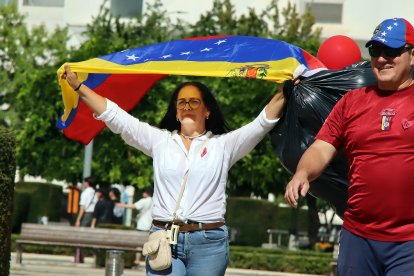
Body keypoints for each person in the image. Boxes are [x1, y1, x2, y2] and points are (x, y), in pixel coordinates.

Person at [63, 64, 285, 275]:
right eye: (181, 103)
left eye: (194, 102)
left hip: (209, 243)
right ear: (176, 113)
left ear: (207, 111)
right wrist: (79, 87)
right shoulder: (159, 141)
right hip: (164, 240)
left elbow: (262, 123)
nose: (187, 106)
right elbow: (117, 117)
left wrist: (288, 86)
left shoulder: (224, 146)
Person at [285, 17, 414, 275]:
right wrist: (302, 173)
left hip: (409, 242)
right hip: (358, 236)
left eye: (392, 51)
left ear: (411, 56)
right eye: (376, 51)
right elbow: (321, 147)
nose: (382, 58)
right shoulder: (351, 101)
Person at [117, 187, 153, 266]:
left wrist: (121, 205)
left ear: (147, 192)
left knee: (139, 244)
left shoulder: (144, 200)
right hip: (150, 225)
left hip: (142, 225)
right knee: (148, 244)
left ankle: (137, 260)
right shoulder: (154, 201)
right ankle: (149, 260)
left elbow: (134, 206)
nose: (143, 193)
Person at [74, 176, 98, 263]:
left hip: (87, 214)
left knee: (81, 236)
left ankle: (80, 256)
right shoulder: (95, 192)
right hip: (95, 216)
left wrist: (78, 220)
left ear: (87, 183)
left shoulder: (86, 193)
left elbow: (82, 207)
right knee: (93, 237)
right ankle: (96, 256)